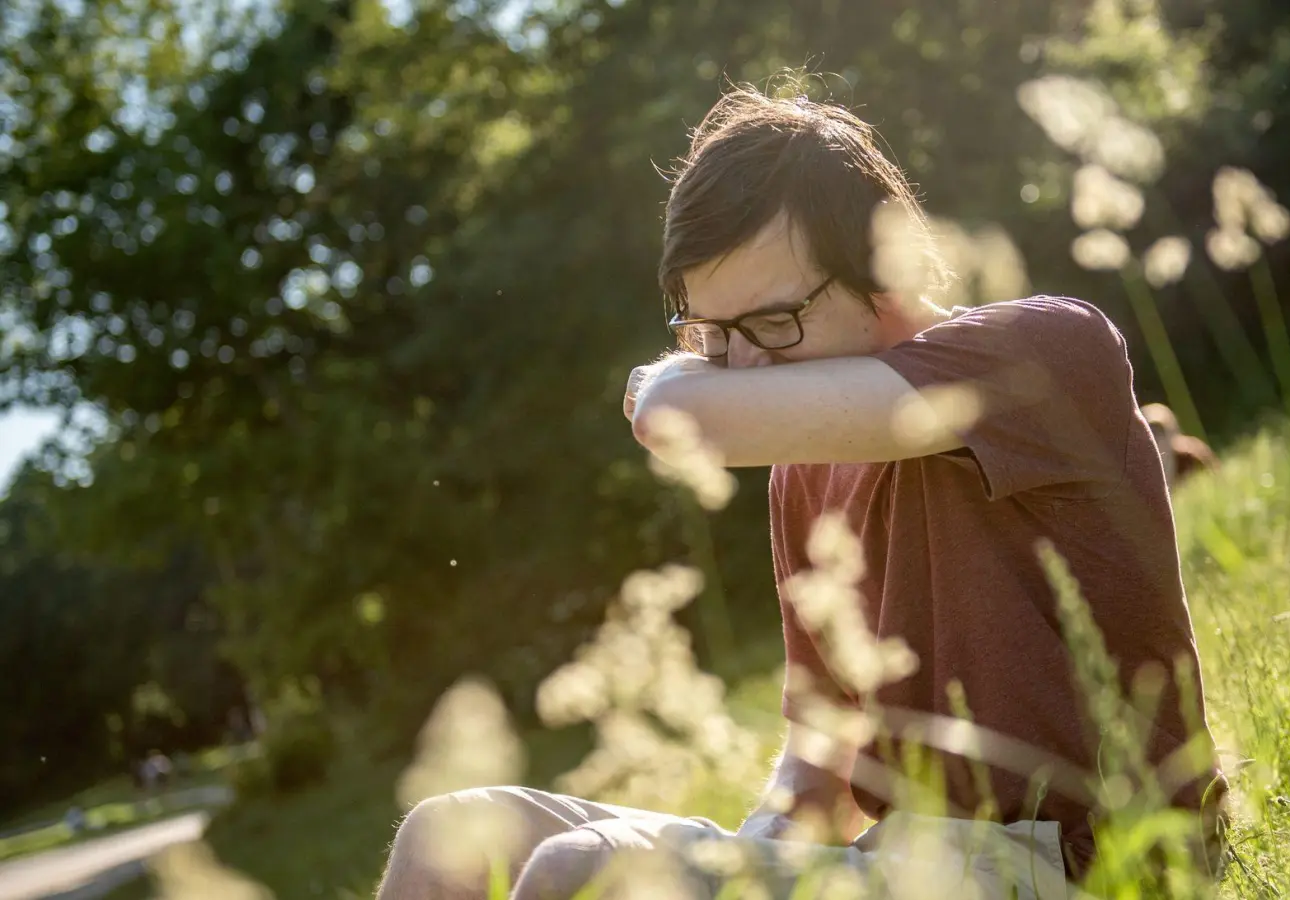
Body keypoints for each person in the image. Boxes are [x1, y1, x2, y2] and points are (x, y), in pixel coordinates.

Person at [375, 83, 1224, 900]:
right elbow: (825, 754)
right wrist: (753, 864)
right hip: (896, 862)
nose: (739, 367)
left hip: (1085, 859)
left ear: (881, 267)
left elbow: (680, 416)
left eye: (771, 325)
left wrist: (665, 379)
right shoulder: (802, 469)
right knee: (448, 835)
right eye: (711, 334)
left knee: (575, 877)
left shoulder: (1044, 349)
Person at [1140, 403, 1219, 490]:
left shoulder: (1190, 456)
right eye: (1151, 432)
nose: (1156, 440)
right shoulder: (1138, 472)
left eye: (1159, 432)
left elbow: (1216, 477)